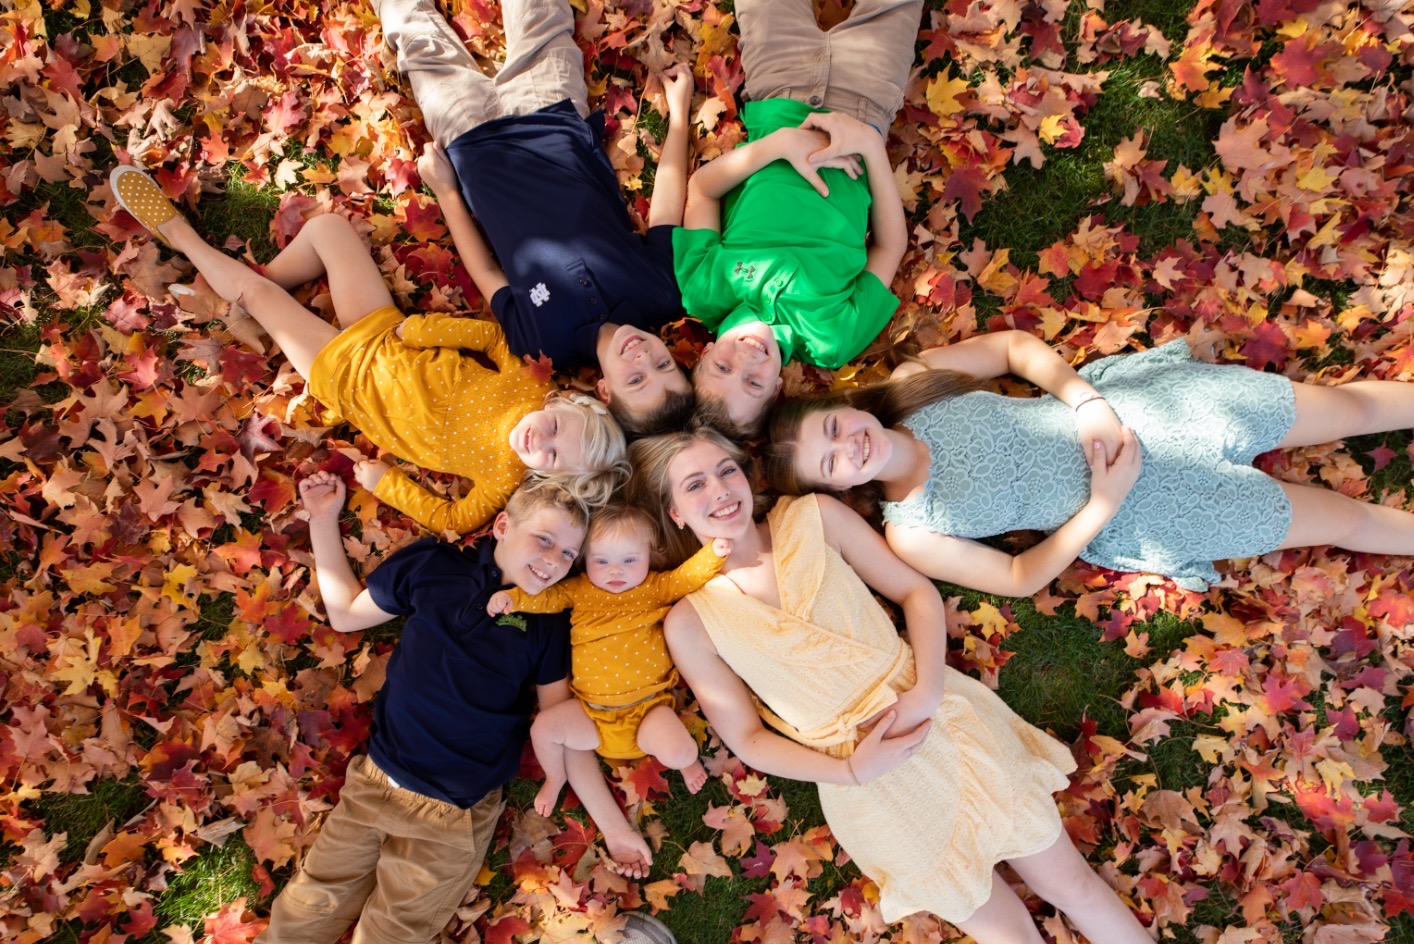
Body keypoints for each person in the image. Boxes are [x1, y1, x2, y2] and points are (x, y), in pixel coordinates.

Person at [629, 428, 1151, 944]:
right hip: (864, 779)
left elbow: (914, 591)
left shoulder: (812, 516)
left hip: (936, 715)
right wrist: (850, 771)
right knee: (1010, 936)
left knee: (1073, 884)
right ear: (675, 511)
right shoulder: (691, 622)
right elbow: (746, 739)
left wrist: (925, 690)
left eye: (725, 471)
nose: (719, 490)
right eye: (694, 485)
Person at [108, 168, 627, 535]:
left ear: (551, 479)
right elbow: (491, 338)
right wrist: (419, 332)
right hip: (385, 334)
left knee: (260, 297)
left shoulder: (503, 479)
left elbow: (450, 518)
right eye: (557, 427)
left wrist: (387, 484)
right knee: (328, 230)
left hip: (347, 378)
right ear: (562, 403)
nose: (543, 440)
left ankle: (180, 236)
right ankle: (245, 295)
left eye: (554, 457)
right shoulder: (529, 385)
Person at [764, 330, 1414, 594]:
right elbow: (1019, 575)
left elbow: (1016, 349)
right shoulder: (911, 532)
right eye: (832, 463)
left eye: (833, 428)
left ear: (842, 404)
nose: (848, 446)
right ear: (839, 487)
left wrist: (1085, 403)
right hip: (1146, 511)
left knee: (1346, 411)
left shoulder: (917, 381)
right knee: (1342, 519)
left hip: (1141, 416)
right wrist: (1101, 507)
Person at [256, 471, 593, 943]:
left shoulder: (547, 620)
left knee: (391, 935)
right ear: (501, 526)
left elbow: (556, 720)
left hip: (452, 812)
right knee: (302, 915)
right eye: (544, 539)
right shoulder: (434, 567)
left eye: (567, 554)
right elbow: (346, 614)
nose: (553, 560)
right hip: (376, 783)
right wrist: (323, 519)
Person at [374, 0, 699, 435]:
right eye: (663, 363)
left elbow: (487, 271)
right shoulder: (662, 293)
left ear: (605, 392)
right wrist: (679, 116)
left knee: (413, 33)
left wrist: (447, 191)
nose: (643, 357)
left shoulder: (543, 345)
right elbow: (665, 207)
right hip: (551, 111)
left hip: (469, 141)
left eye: (637, 379)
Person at [674, 0, 916, 437]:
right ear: (776, 390)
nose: (746, 359)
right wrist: (869, 147)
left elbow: (703, 189)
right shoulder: (831, 339)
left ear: (707, 351)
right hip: (866, 102)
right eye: (752, 382)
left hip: (778, 90)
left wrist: (780, 144)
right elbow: (889, 247)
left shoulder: (704, 291)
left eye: (724, 366)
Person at [486, 502, 731, 815]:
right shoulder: (579, 590)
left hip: (648, 710)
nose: (616, 570)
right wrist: (513, 599)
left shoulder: (654, 587)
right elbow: (546, 597)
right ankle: (556, 776)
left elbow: (686, 577)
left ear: (648, 555)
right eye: (602, 561)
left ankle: (687, 764)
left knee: (681, 751)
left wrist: (714, 553)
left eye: (630, 560)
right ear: (586, 559)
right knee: (543, 729)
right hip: (591, 715)